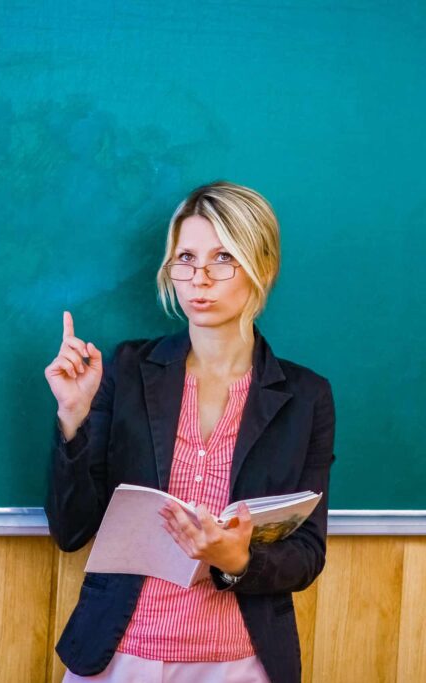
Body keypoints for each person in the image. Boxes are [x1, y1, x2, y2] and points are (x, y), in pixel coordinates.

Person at [44, 180, 336, 683]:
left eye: (223, 258)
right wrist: (73, 416)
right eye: (186, 258)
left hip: (239, 663)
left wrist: (237, 558)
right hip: (117, 656)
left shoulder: (306, 397)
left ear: (262, 267)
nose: (200, 278)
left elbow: (307, 554)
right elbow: (71, 531)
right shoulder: (128, 370)